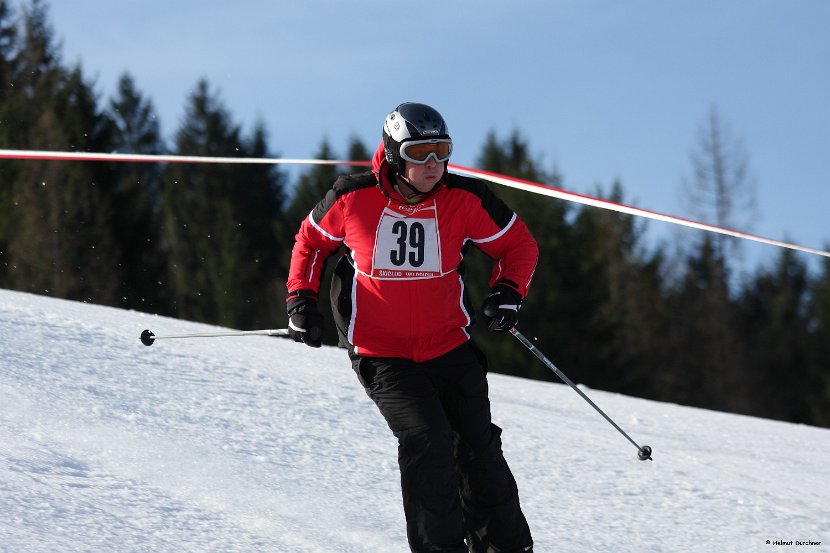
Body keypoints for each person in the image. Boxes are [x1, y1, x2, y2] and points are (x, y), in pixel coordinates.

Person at [285, 102, 537, 553]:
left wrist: (507, 292)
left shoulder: (465, 199)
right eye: (420, 153)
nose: (433, 164)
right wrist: (301, 299)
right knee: (428, 440)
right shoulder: (351, 197)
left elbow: (518, 245)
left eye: (442, 151)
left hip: (449, 346)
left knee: (477, 448)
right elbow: (311, 242)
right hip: (383, 354)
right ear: (394, 153)